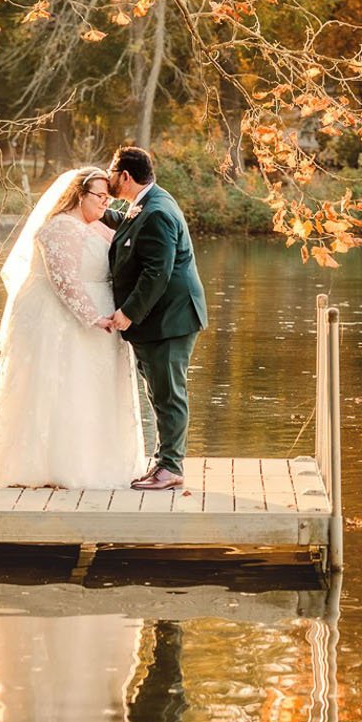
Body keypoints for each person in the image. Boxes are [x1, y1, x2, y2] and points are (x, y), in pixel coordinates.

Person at [0, 166, 151, 488]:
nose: (105, 203)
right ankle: (48, 467)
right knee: (61, 385)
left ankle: (97, 463)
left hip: (101, 319)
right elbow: (64, 280)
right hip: (60, 318)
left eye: (107, 197)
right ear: (78, 195)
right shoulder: (59, 229)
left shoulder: (96, 226)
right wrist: (92, 317)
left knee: (89, 389)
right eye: (99, 196)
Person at [99, 147, 207, 492]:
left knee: (169, 394)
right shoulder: (148, 202)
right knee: (160, 393)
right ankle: (164, 463)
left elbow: (157, 272)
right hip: (160, 320)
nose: (109, 181)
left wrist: (128, 312)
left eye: (111, 175)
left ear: (125, 176)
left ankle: (171, 467)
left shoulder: (158, 211)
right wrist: (89, 208)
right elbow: (129, 226)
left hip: (171, 320)